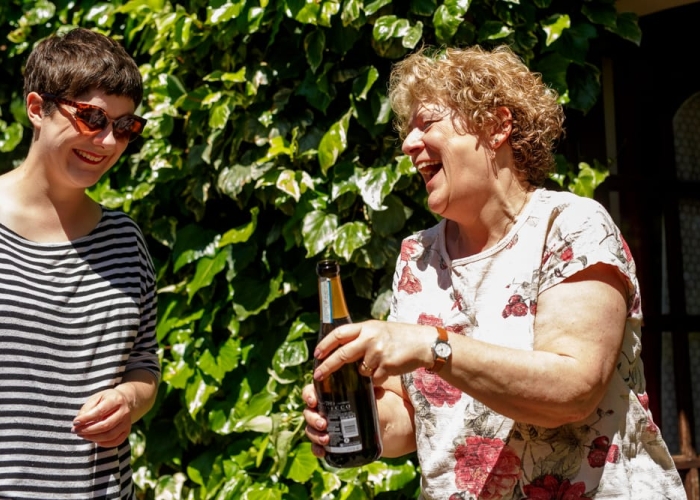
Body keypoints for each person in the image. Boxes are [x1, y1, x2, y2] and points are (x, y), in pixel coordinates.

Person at [303, 45, 685, 499]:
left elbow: (572, 390)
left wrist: (433, 346)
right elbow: (413, 422)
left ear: (498, 126)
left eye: (427, 122)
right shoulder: (417, 257)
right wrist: (352, 420)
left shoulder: (570, 225)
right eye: (408, 130)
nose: (408, 143)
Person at [0, 28, 159, 499]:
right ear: (36, 108)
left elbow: (144, 365)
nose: (108, 141)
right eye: (92, 118)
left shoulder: (126, 241)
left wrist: (129, 400)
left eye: (126, 126)